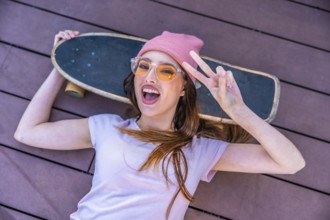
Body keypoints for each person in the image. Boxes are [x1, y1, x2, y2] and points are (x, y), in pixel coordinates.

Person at [14, 30, 305, 220]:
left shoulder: (198, 151)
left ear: (182, 88)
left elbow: (290, 163)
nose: (150, 76)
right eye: (144, 66)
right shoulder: (107, 128)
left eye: (166, 71)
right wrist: (60, 68)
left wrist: (239, 112)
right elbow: (27, 133)